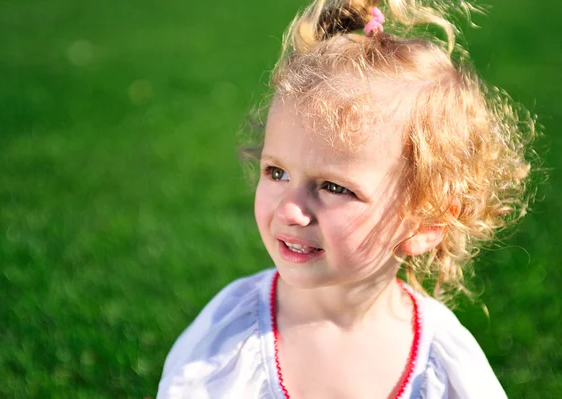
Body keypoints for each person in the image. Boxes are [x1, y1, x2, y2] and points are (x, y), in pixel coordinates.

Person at [157, 0, 538, 397]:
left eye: (335, 187)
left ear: (426, 222)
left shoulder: (443, 363)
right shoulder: (228, 339)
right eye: (277, 172)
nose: (289, 209)